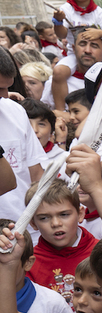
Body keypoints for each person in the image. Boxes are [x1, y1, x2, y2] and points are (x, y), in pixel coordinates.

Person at [50, 0, 102, 110]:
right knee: (59, 72)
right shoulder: (65, 9)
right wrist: (58, 22)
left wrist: (101, 33)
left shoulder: (98, 13)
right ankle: (61, 110)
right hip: (75, 55)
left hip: (99, 56)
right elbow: (61, 35)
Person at [24, 178, 98, 300]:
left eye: (64, 215)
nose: (56, 223)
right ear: (33, 223)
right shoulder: (29, 262)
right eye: (44, 218)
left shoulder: (100, 252)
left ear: (80, 214)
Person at [0, 48, 45, 219]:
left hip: (24, 228)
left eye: (7, 87)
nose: (5, 95)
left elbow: (36, 173)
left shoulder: (15, 111)